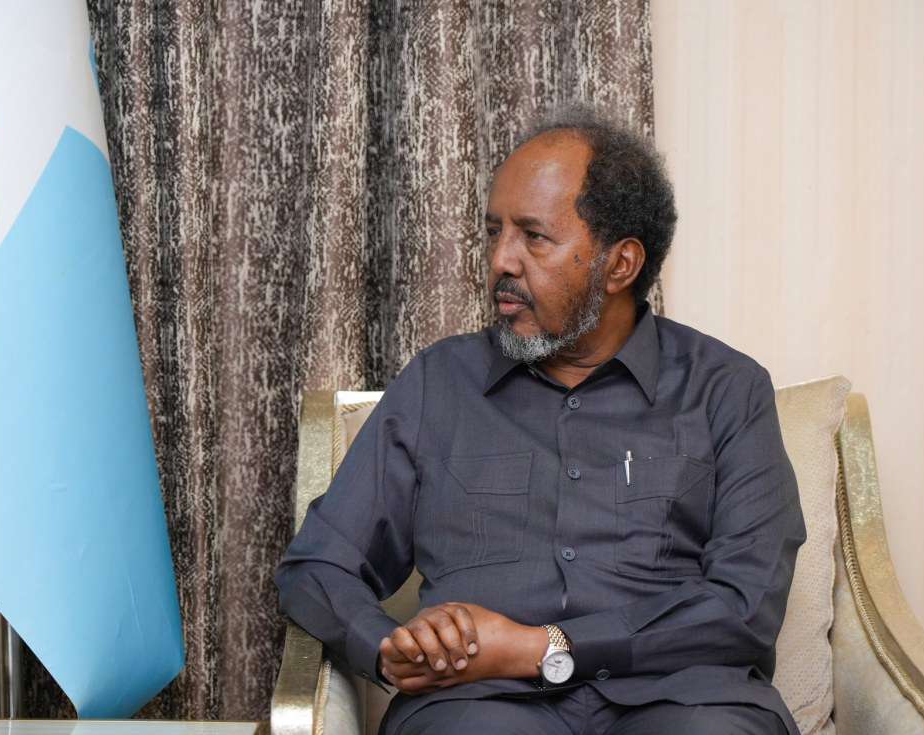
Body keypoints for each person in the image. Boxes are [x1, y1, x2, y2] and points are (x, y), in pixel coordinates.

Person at [275, 106, 806, 735]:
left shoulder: (725, 390)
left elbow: (746, 605)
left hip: (686, 697)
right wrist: (386, 645)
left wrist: (540, 647)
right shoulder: (439, 384)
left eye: (533, 236)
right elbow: (318, 565)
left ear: (620, 265)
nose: (501, 260)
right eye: (494, 232)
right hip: (479, 702)